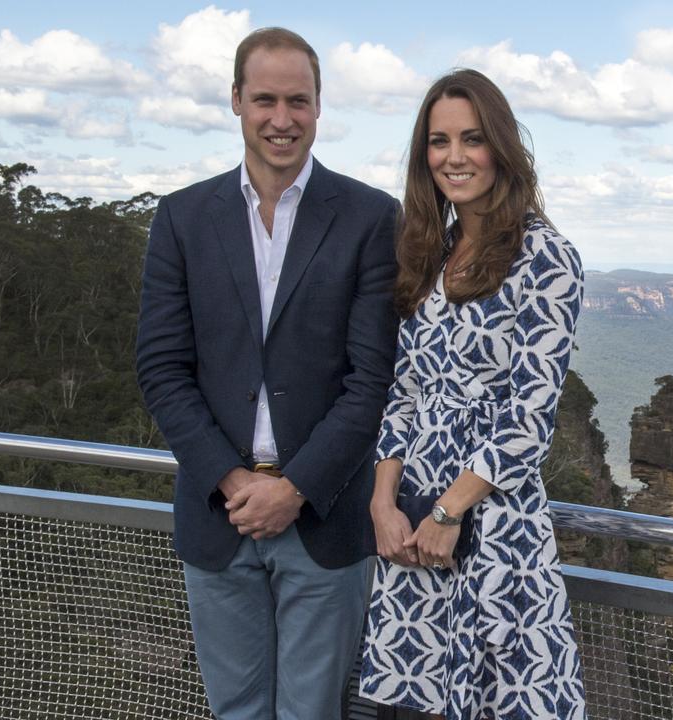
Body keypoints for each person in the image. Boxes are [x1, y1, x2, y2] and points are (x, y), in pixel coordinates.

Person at [135, 27, 400, 720]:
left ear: (318, 108)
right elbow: (162, 369)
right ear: (235, 101)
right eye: (265, 100)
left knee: (314, 712)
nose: (281, 119)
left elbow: (372, 379)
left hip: (324, 518)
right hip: (218, 518)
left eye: (298, 101)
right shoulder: (183, 218)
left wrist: (295, 489)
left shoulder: (371, 218)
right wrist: (234, 480)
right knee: (237, 712)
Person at [360, 69, 586, 719]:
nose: (454, 157)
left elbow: (527, 417)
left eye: (472, 139)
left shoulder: (546, 257)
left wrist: (448, 513)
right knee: (415, 705)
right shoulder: (430, 252)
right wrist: (383, 504)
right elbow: (403, 392)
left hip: (488, 524)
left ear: (503, 150)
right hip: (409, 525)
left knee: (491, 700)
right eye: (438, 141)